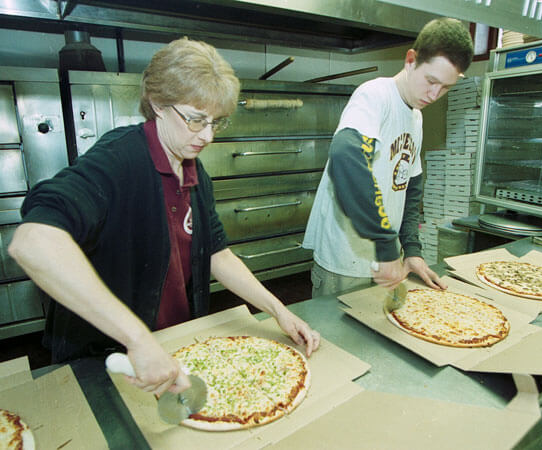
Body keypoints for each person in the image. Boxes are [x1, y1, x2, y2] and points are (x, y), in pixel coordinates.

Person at [8, 37, 320, 397]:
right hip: (104, 358)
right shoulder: (119, 159)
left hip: (169, 344)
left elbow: (217, 253)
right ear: (157, 102)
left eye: (216, 122)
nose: (207, 136)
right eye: (195, 119)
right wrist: (137, 338)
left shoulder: (194, 172)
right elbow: (32, 242)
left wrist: (277, 310)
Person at [303, 18, 474, 297]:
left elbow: (409, 187)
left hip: (386, 260)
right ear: (411, 60)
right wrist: (385, 244)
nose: (434, 95)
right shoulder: (375, 96)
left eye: (445, 88)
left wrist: (411, 250)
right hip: (347, 259)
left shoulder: (415, 116)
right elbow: (346, 158)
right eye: (431, 81)